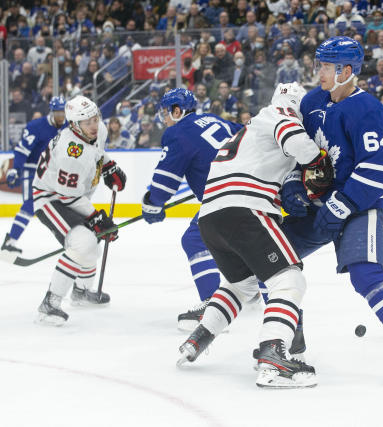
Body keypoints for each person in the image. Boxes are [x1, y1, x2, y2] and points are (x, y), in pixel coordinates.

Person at [280, 36, 383, 384]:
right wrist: (293, 184)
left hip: (357, 206)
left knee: (365, 273)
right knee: (271, 255)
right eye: (319, 64)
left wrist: (341, 204)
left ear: (346, 71)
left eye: (325, 66)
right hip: (319, 207)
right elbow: (298, 154)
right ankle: (289, 340)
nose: (318, 71)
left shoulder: (368, 109)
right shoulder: (311, 102)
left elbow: (377, 171)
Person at [177, 82, 331, 388]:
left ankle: (199, 338)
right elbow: (296, 142)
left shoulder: (247, 129)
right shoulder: (280, 114)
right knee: (289, 280)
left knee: (241, 284)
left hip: (210, 218)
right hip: (246, 209)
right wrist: (319, 161)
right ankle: (273, 352)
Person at [140, 88, 243, 331]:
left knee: (195, 239)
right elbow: (245, 132)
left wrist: (153, 204)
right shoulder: (214, 119)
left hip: (225, 195)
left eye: (166, 113)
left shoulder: (177, 132)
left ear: (177, 111)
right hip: (253, 187)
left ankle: (212, 306)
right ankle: (258, 289)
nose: (163, 118)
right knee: (242, 238)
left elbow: (164, 184)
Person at [31, 95, 127, 325]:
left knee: (93, 238)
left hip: (73, 194)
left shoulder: (98, 130)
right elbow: (67, 196)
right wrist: (95, 218)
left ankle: (82, 291)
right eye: (87, 122)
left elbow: (98, 151)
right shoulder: (70, 153)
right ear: (74, 125)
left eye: (95, 118)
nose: (94, 125)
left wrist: (108, 165)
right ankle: (49, 304)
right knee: (83, 241)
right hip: (50, 198)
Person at [2, 97, 67, 256]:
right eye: (58, 112)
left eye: (63, 112)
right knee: (30, 205)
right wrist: (15, 169)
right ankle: (11, 241)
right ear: (51, 112)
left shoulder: (68, 127)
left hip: (54, 173)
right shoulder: (35, 127)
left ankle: (72, 240)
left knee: (64, 204)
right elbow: (22, 151)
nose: (61, 116)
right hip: (33, 171)